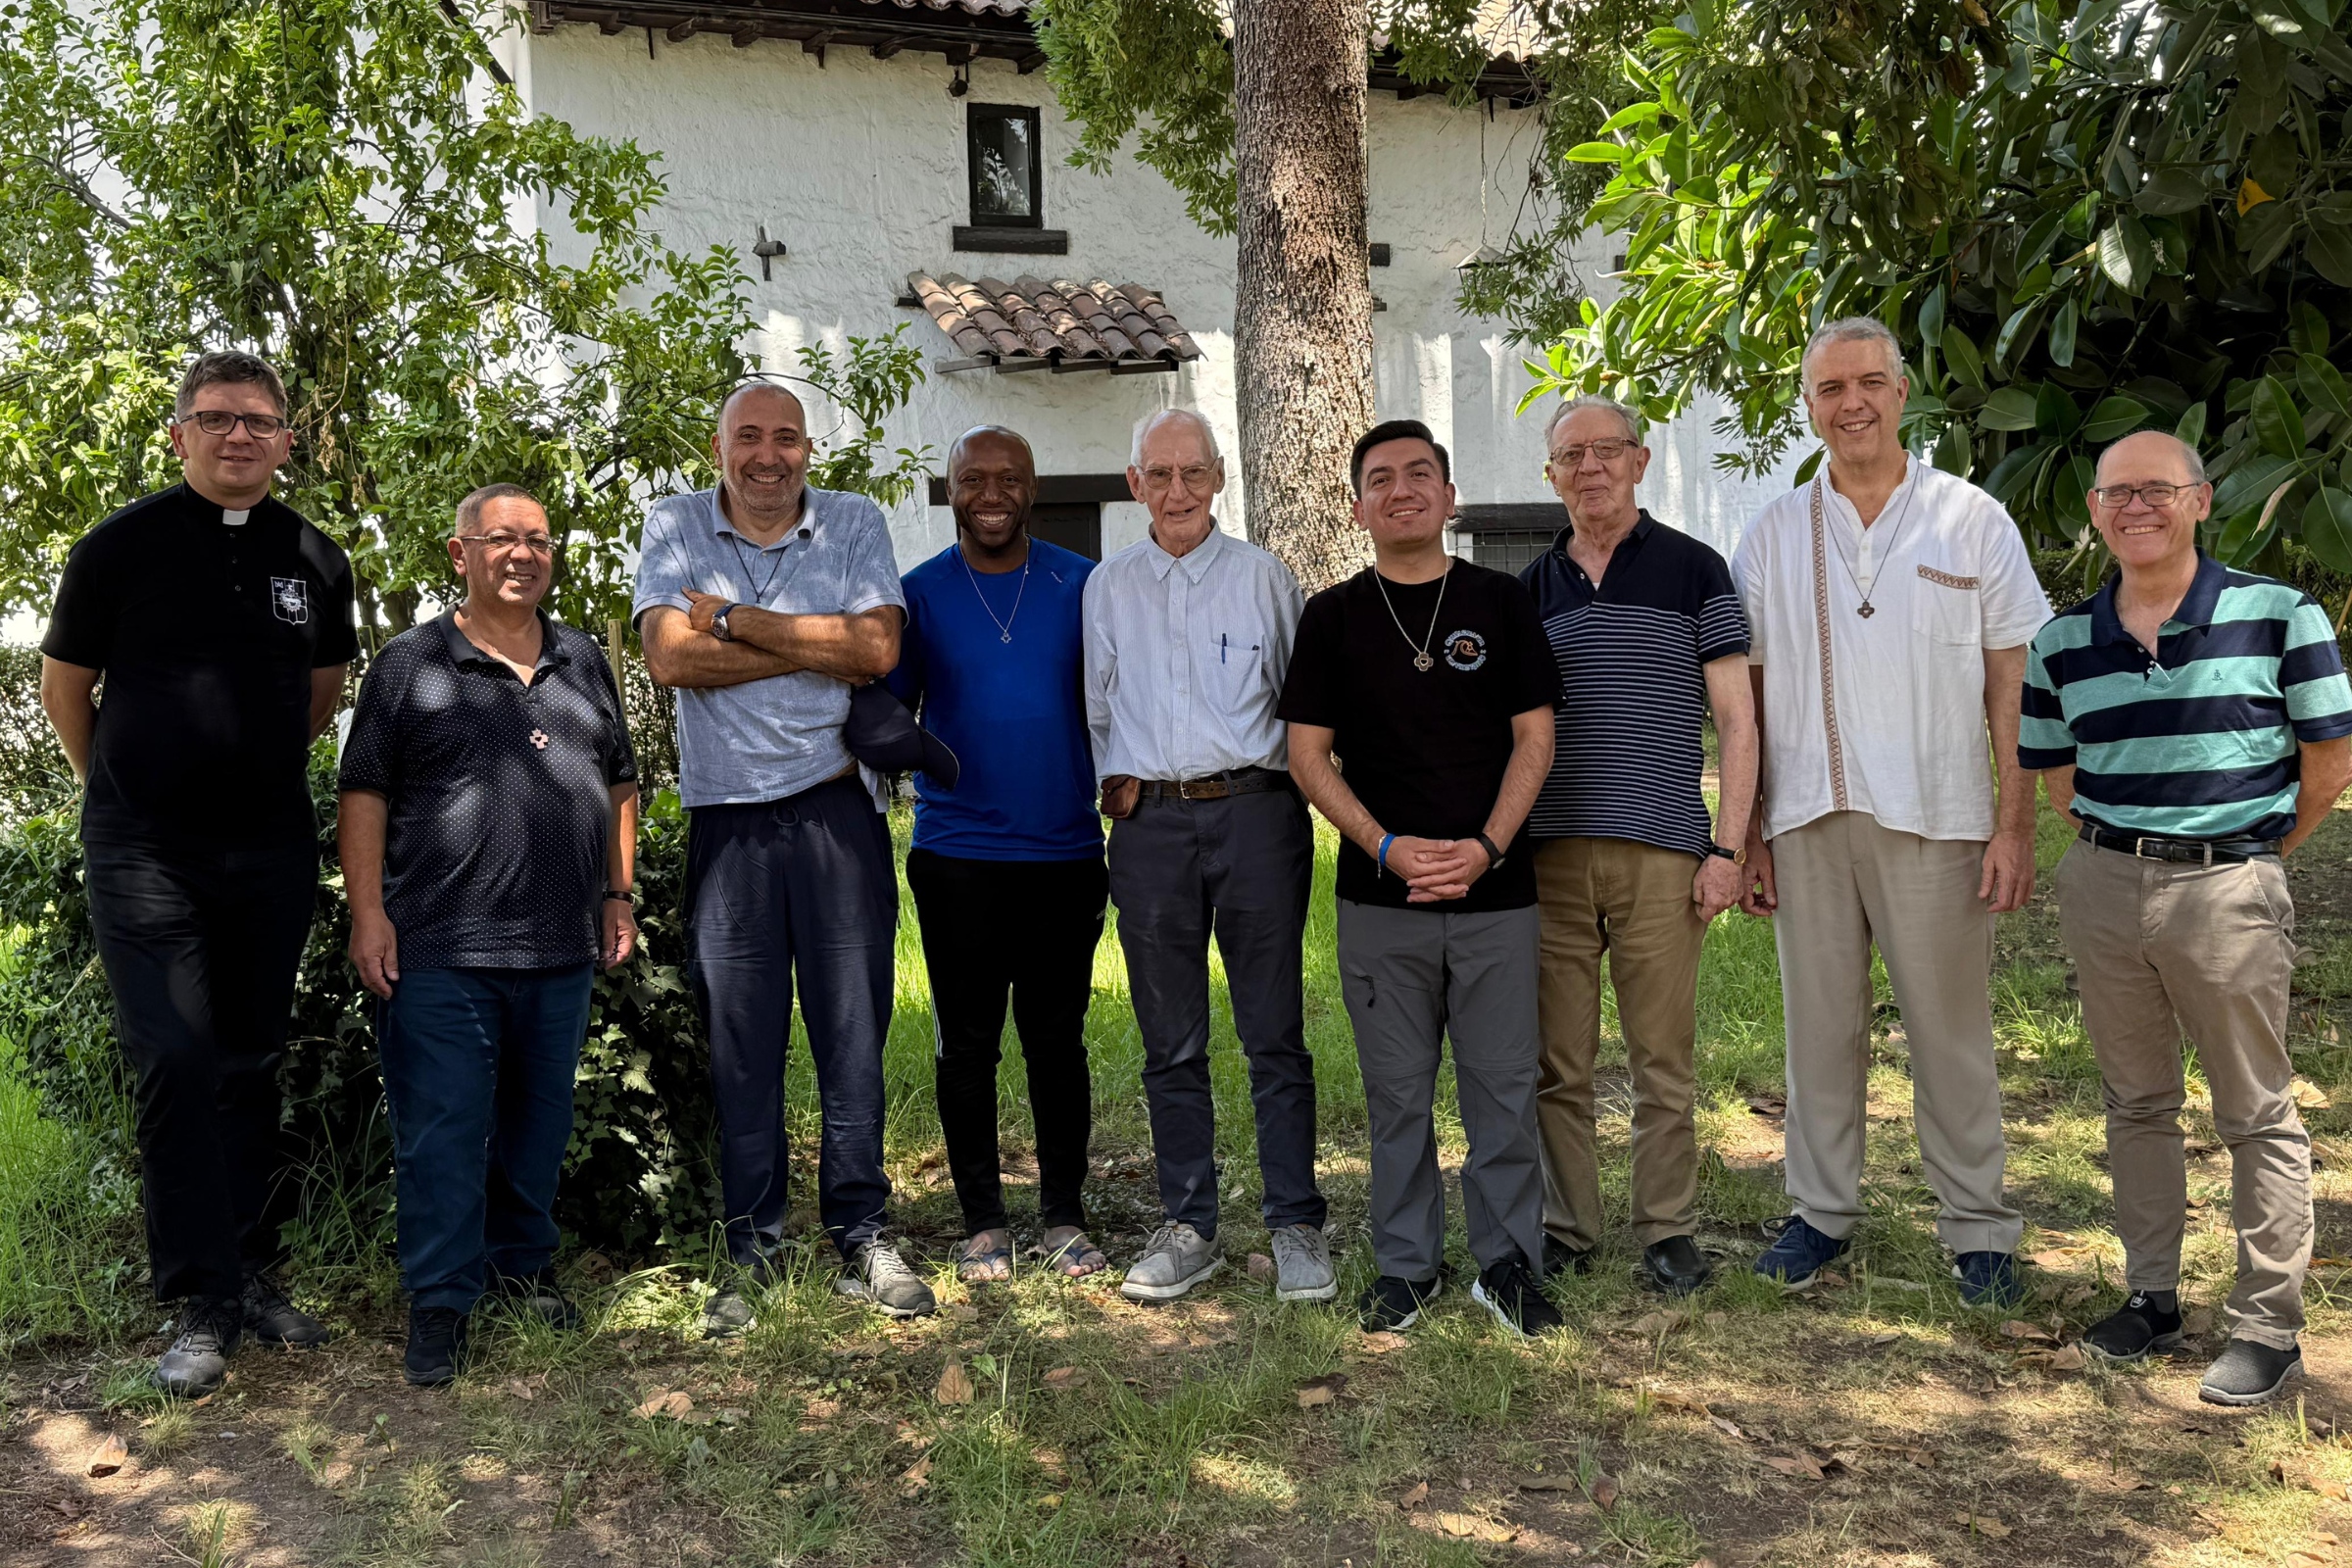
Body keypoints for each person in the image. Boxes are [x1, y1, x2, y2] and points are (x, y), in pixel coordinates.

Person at [38, 351, 356, 1395]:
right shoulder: (118, 547)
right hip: (143, 852)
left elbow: (318, 694)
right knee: (174, 1056)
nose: (238, 436)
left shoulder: (316, 558)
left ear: (286, 441)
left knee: (250, 1059)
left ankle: (251, 1273)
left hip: (268, 847)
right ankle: (200, 1298)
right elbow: (65, 689)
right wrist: (118, 790)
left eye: (258, 421)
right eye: (216, 418)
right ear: (179, 434)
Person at [2022, 430, 2352, 1406]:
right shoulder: (2061, 641)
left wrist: (2250, 854)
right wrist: (2124, 854)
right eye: (2117, 493)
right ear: (2094, 511)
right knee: (2136, 1103)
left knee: (2255, 1109)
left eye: (2158, 489)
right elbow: (2058, 778)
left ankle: (2266, 1327)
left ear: (2202, 500)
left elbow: (2330, 763)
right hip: (2104, 886)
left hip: (2229, 889)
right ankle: (2151, 1296)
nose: (2137, 507)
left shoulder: (2279, 614)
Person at [1733, 317, 2051, 1304]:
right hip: (1808, 813)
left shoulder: (1971, 519)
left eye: (1870, 381)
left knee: (1950, 1030)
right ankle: (1820, 1211)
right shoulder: (1773, 532)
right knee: (1818, 1029)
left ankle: (1979, 1226)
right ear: (1809, 406)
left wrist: (2014, 825)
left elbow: (2012, 683)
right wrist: (1748, 834)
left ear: (1903, 392)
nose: (1853, 403)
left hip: (1940, 816)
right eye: (1830, 388)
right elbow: (1744, 694)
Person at [634, 381, 934, 1331]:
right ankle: (751, 1247)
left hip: (838, 812)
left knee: (852, 1034)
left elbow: (877, 647)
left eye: (787, 438)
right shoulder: (675, 523)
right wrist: (817, 645)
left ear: (809, 449)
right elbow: (669, 660)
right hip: (728, 822)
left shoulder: (851, 520)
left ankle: (862, 1232)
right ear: (719, 446)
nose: (769, 456)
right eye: (750, 437)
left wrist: (730, 619)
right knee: (742, 1043)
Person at [339, 484, 641, 1387]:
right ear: (459, 553)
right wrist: (367, 913)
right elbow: (363, 793)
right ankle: (441, 1301)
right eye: (503, 538)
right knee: (443, 1133)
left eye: (539, 540)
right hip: (440, 947)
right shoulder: (411, 664)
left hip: (560, 945)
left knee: (539, 1127)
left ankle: (522, 1270)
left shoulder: (583, 659)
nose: (523, 554)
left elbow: (620, 785)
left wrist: (618, 894)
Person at [1282, 418, 1563, 1337]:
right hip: (1380, 900)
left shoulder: (1501, 601)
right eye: (1380, 479)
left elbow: (1536, 738)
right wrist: (1385, 846)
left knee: (1503, 1088)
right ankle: (1408, 1265)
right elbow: (1308, 756)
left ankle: (1507, 1264)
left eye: (1417, 475)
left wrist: (1486, 847)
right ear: (1358, 506)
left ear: (1448, 496)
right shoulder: (1331, 618)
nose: (1400, 491)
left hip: (1497, 896)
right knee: (1397, 1095)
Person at [1082, 408, 1333, 1304]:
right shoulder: (1107, 588)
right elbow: (1099, 710)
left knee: (1274, 1033)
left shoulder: (1265, 578)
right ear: (1134, 483)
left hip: (1257, 815)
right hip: (1151, 829)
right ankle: (1189, 1226)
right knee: (1170, 1040)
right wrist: (1125, 791)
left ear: (1219, 477)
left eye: (1194, 472)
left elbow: (1299, 705)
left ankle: (1295, 1223)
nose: (1177, 490)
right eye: (1159, 474)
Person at [1519, 396, 1758, 1296]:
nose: (1590, 468)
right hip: (1547, 855)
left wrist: (1727, 850)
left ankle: (1667, 1230)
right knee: (1559, 1062)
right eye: (1570, 455)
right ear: (1552, 475)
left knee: (1663, 1057)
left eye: (1606, 450)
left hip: (1663, 848)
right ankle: (1567, 1227)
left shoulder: (1695, 569)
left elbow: (1736, 720)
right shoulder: (1528, 589)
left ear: (1639, 460)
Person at [887, 426, 1109, 1283]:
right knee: (967, 1045)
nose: (991, 494)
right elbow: (885, 714)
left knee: (1058, 1041)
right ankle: (983, 1222)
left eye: (1008, 479)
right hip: (958, 856)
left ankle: (1063, 1216)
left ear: (1033, 488)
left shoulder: (1081, 584)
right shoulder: (918, 595)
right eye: (973, 479)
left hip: (1065, 851)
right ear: (950, 489)